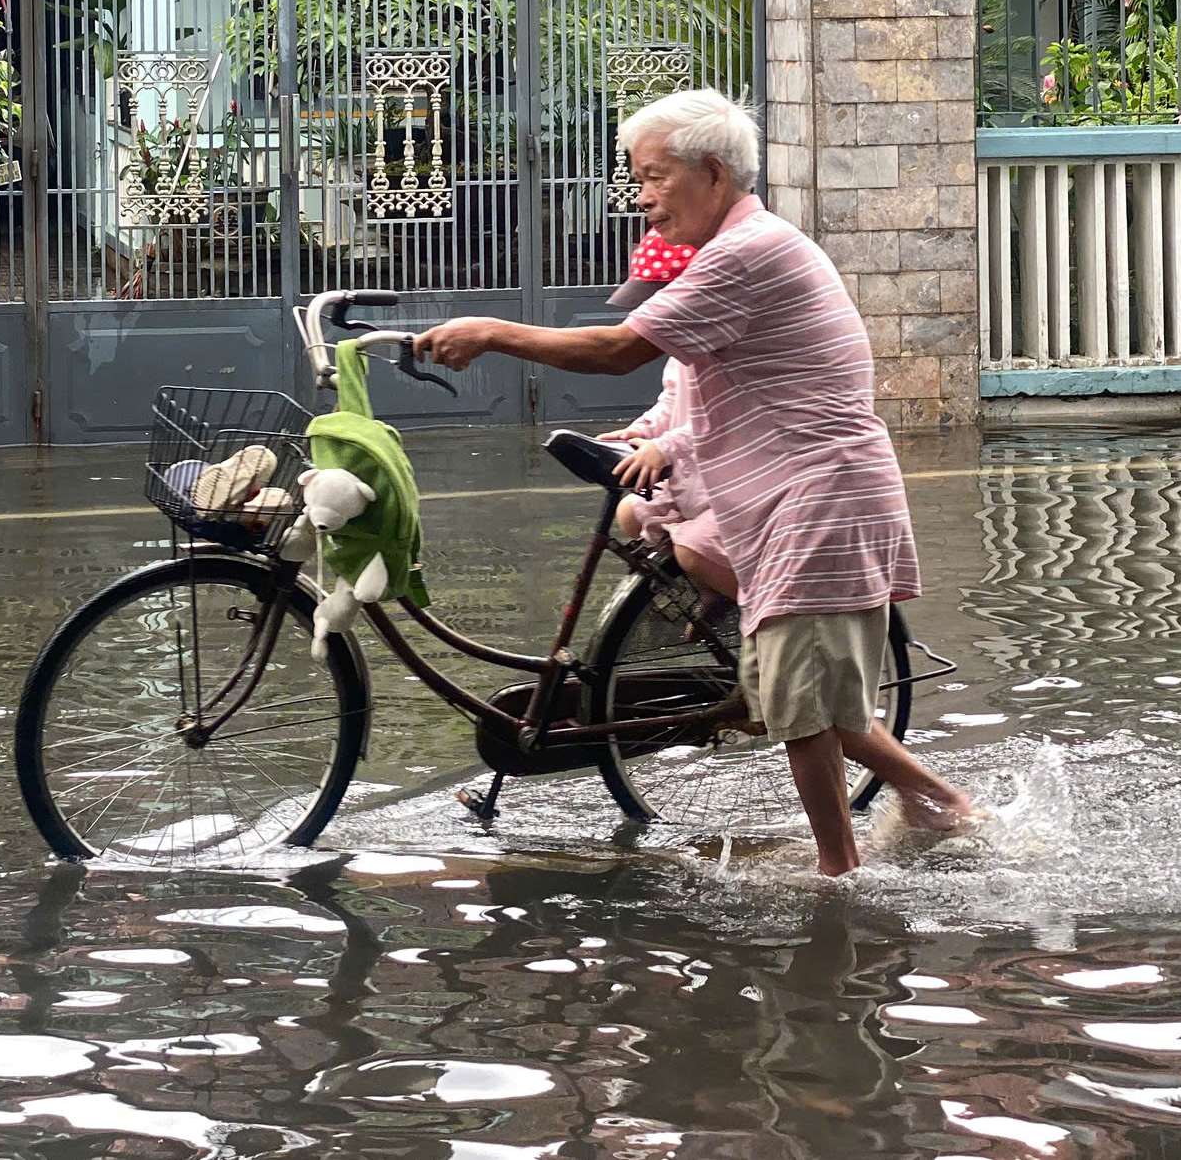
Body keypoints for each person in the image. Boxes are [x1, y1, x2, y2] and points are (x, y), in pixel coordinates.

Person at [415, 88, 978, 875]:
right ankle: (922, 813)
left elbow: (619, 349)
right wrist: (650, 436)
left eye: (654, 177)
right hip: (788, 503)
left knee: (803, 705)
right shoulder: (740, 247)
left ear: (712, 173)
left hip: (817, 500)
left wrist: (492, 331)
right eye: (637, 179)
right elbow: (692, 396)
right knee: (799, 697)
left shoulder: (747, 252)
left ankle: (842, 875)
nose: (643, 198)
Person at [597, 231, 738, 604]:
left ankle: (757, 611)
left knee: (693, 549)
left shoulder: (727, 347)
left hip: (725, 484)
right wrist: (640, 431)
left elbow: (725, 417)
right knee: (631, 512)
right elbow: (671, 400)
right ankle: (708, 594)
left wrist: (664, 448)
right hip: (690, 477)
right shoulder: (681, 351)